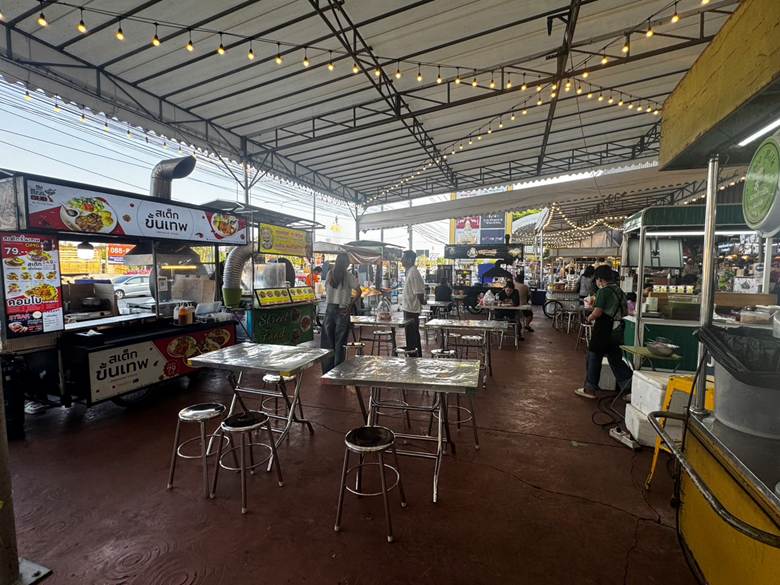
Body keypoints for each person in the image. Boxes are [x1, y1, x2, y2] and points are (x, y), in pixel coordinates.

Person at [574, 265, 633, 399]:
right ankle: (629, 389)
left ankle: (590, 388)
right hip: (618, 329)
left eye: (596, 279)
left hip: (604, 328)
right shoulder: (619, 291)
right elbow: (625, 311)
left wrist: (589, 318)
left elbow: (598, 312)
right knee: (615, 359)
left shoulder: (603, 291)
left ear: (600, 279)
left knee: (593, 357)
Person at [320, 253, 361, 373]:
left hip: (330, 309)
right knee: (340, 343)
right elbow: (359, 291)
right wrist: (350, 305)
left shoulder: (330, 274)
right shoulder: (348, 276)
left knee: (327, 343)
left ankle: (327, 371)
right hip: (343, 310)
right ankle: (338, 372)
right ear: (346, 264)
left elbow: (326, 289)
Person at [401, 250, 425, 356]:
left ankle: (414, 358)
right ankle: (414, 357)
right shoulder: (410, 271)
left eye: (403, 258)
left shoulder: (414, 272)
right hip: (408, 308)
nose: (401, 260)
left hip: (412, 310)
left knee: (412, 336)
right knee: (411, 336)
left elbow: (419, 293)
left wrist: (423, 302)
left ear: (409, 260)